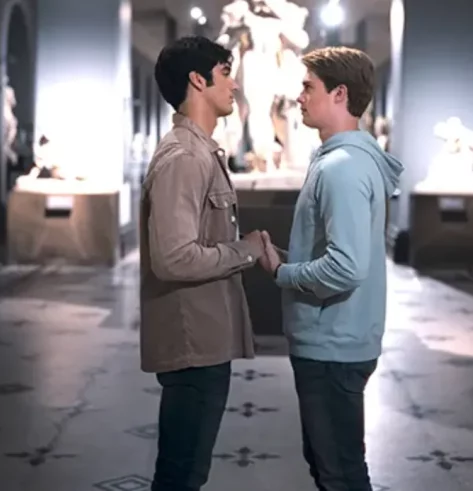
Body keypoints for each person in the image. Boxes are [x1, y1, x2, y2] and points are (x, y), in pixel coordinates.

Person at [259, 46, 404, 490]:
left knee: (338, 472)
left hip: (333, 346)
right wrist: (290, 258)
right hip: (337, 340)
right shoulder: (343, 161)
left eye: (308, 87)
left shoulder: (341, 167)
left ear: (339, 94)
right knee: (332, 466)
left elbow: (345, 267)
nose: (299, 97)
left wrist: (281, 273)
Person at [139, 36, 266, 491]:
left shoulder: (200, 151)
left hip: (204, 335)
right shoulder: (185, 158)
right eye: (225, 72)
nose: (233, 83)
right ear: (198, 79)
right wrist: (244, 251)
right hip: (191, 341)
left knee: (187, 470)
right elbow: (173, 258)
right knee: (181, 474)